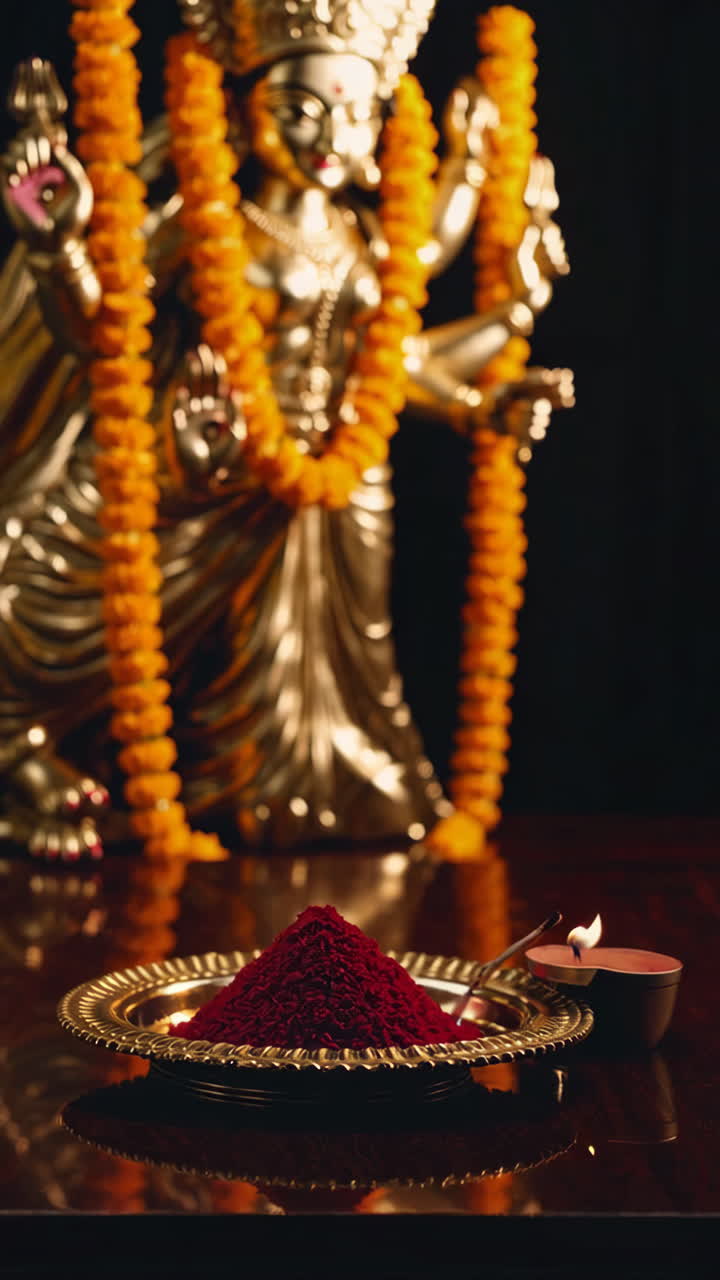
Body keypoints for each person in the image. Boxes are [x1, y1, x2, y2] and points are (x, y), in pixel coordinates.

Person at [0, 0, 572, 859]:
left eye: (354, 114)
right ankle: (19, 750)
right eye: (299, 110)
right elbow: (105, 328)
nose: (329, 137)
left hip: (341, 492)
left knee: (353, 659)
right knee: (58, 614)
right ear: (240, 111)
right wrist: (56, 249)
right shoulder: (208, 227)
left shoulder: (361, 240)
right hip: (214, 469)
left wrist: (481, 391)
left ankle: (328, 796)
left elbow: (396, 356)